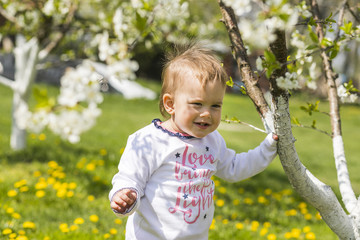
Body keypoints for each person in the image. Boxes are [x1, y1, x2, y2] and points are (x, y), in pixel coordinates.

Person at [109, 42, 278, 240]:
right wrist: (125, 195)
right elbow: (129, 178)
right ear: (170, 104)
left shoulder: (212, 141)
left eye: (215, 105)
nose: (207, 113)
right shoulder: (149, 141)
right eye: (197, 104)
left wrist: (268, 147)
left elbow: (235, 167)